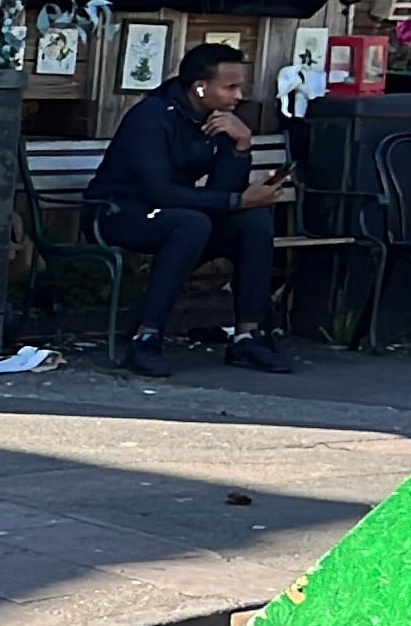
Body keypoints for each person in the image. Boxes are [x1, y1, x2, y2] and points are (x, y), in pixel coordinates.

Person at [81, 42, 294, 376]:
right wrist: (235, 201)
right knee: (191, 223)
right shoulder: (151, 117)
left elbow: (223, 191)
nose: (238, 96)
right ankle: (146, 337)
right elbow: (159, 190)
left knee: (253, 221)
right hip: (117, 213)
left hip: (177, 215)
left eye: (240, 86)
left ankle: (248, 336)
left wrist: (240, 146)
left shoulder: (219, 120)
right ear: (199, 86)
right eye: (230, 87)